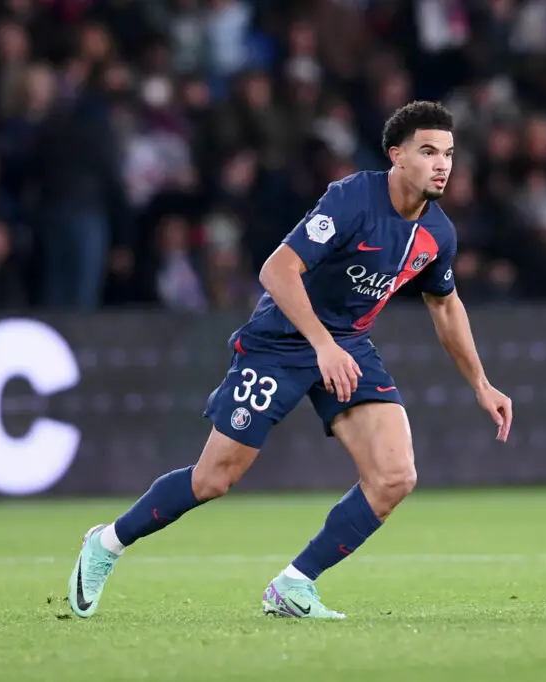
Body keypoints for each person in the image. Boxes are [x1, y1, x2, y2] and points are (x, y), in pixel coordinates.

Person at [67, 101, 514, 620]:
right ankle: (106, 543)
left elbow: (446, 306)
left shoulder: (438, 233)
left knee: (394, 476)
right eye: (429, 151)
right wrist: (323, 345)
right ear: (397, 156)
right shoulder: (352, 199)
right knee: (213, 479)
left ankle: (294, 585)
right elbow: (277, 270)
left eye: (449, 154)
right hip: (280, 341)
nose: (442, 165)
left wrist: (481, 383)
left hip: (347, 345)